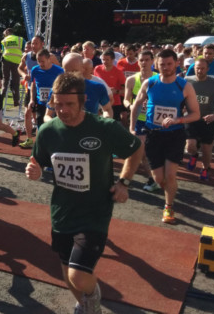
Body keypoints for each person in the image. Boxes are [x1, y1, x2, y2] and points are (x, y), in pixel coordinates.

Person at [26, 72, 143, 314]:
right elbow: (37, 161)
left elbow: (136, 149)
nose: (63, 110)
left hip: (95, 213)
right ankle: (87, 305)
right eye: (58, 104)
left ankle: (92, 296)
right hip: (62, 212)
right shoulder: (48, 131)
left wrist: (124, 182)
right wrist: (34, 171)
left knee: (78, 276)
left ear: (83, 100)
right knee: (67, 274)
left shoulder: (104, 127)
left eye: (69, 104)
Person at [130, 49, 200, 224]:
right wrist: (132, 128)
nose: (166, 68)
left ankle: (168, 207)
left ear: (176, 64)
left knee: (170, 175)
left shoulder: (184, 86)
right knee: (159, 178)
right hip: (153, 134)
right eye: (162, 64)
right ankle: (170, 190)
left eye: (169, 64)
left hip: (175, 135)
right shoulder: (150, 83)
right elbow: (136, 104)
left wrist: (178, 120)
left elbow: (196, 114)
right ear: (156, 65)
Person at [184, 58, 214, 181]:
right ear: (194, 68)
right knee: (190, 146)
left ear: (208, 69)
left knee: (207, 150)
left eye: (203, 68)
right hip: (191, 118)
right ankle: (194, 155)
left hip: (207, 119)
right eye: (197, 68)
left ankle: (205, 168)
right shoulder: (187, 81)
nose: (200, 70)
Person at [123, 50, 158, 191]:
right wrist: (131, 106)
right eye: (141, 60)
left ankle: (157, 177)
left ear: (152, 61)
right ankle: (150, 179)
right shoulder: (131, 80)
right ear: (138, 62)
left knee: (153, 152)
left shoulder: (158, 78)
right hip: (138, 120)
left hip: (156, 121)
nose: (144, 63)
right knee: (140, 151)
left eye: (147, 60)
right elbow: (126, 99)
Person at [43, 53, 112, 122]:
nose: (71, 75)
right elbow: (47, 115)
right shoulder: (56, 89)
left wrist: (104, 122)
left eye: (74, 71)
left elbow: (107, 109)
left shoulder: (97, 87)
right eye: (67, 71)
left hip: (90, 130)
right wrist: (55, 126)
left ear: (83, 68)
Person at [30, 48, 65, 128]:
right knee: (41, 126)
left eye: (42, 61)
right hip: (41, 102)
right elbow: (33, 84)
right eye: (38, 61)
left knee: (55, 126)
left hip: (55, 103)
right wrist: (32, 99)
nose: (40, 63)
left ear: (49, 59)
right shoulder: (35, 70)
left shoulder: (59, 70)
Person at [94, 49, 126, 122]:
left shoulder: (118, 72)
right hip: (100, 102)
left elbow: (125, 90)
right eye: (103, 59)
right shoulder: (97, 69)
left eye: (107, 60)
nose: (105, 62)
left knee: (112, 125)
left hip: (115, 103)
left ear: (113, 60)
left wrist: (116, 91)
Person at [0, 28, 25, 106]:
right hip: (17, 61)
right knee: (16, 81)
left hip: (6, 61)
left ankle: (0, 99)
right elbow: (24, 49)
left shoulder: (4, 40)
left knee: (5, 80)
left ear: (7, 32)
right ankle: (16, 101)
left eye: (4, 34)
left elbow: (3, 50)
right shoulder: (20, 39)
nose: (4, 35)